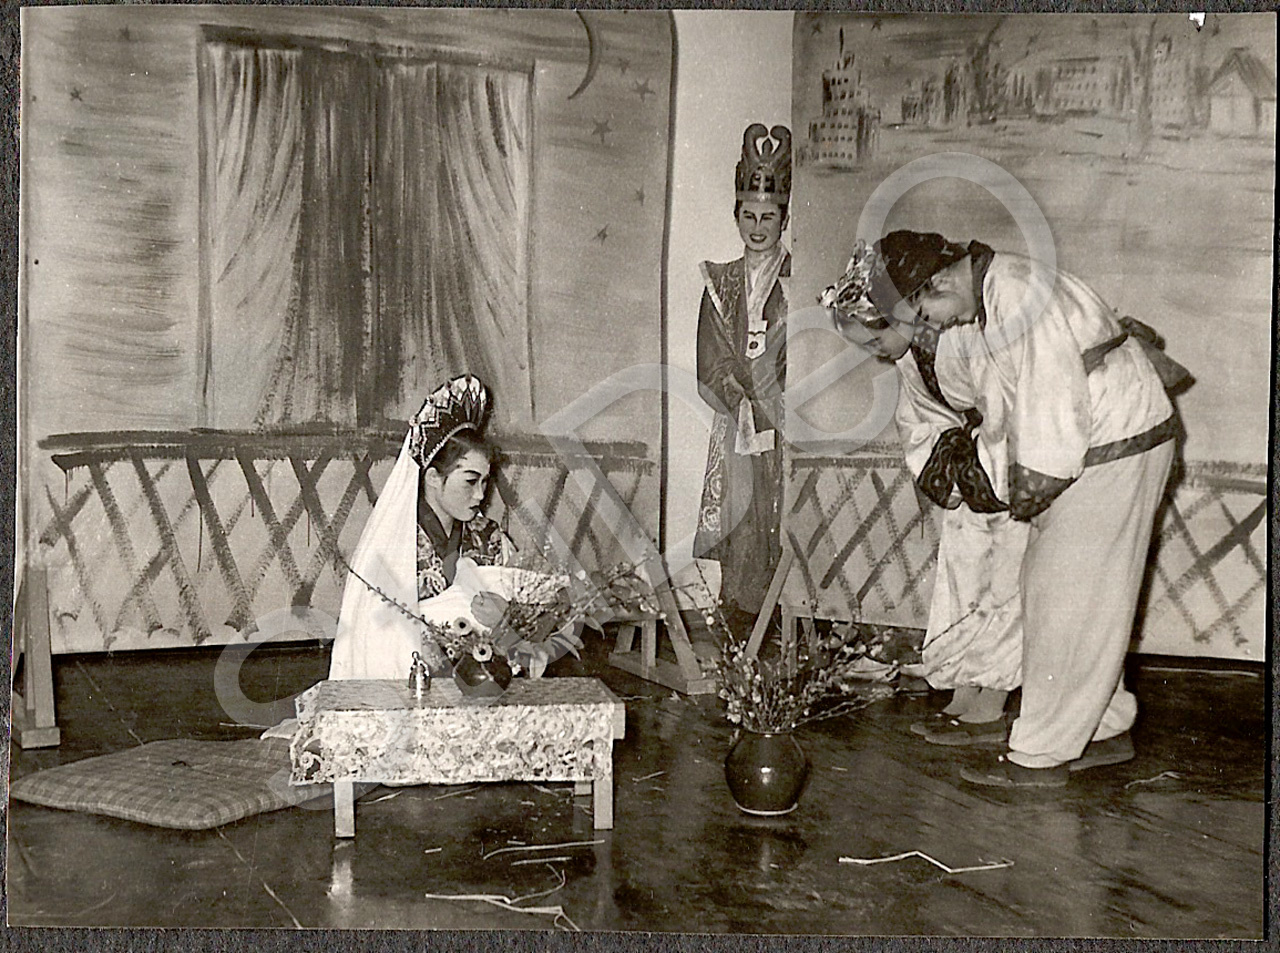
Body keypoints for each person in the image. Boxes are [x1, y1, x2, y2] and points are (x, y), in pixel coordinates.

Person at [826, 230, 1185, 788]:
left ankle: (1040, 755)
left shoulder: (1013, 292)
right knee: (1072, 598)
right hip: (1103, 444)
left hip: (1113, 444)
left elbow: (1044, 395)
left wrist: (1028, 482)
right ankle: (1105, 727)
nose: (937, 326)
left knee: (1064, 601)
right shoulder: (997, 290)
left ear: (938, 283)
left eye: (927, 313)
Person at [823, 241, 1027, 746]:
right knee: (961, 571)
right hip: (970, 467)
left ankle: (993, 698)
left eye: (876, 340)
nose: (876, 353)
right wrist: (952, 470)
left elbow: (1008, 402)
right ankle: (961, 685)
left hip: (1011, 462)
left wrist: (985, 465)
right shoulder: (911, 361)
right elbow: (919, 423)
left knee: (1006, 581)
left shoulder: (965, 332)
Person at [329, 375, 513, 680]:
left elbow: (520, 619)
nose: (480, 495)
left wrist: (505, 619)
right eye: (470, 481)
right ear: (433, 478)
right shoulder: (394, 544)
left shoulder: (490, 537)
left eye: (485, 482)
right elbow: (374, 642)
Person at [694, 123, 791, 633]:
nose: (758, 227)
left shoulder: (797, 278)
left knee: (781, 508)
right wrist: (741, 398)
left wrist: (774, 395)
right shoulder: (721, 282)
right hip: (737, 420)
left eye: (768, 217)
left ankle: (781, 610)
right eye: (749, 216)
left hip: (785, 419)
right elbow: (711, 358)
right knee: (741, 509)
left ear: (783, 219)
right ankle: (739, 608)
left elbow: (805, 349)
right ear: (736, 217)